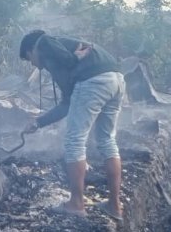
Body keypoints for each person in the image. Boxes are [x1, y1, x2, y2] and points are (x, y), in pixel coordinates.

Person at [19, 30, 125, 219]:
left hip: (93, 82)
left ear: (32, 49)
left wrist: (73, 59)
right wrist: (38, 122)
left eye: (29, 59)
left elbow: (60, 53)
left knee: (74, 142)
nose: (34, 65)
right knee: (107, 140)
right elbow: (68, 103)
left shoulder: (44, 43)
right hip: (115, 79)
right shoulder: (62, 51)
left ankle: (76, 204)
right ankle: (114, 205)